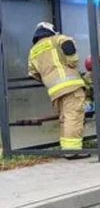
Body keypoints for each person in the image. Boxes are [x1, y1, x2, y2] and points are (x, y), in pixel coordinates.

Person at [26, 22, 90, 159]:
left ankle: (66, 148)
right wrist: (72, 62)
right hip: (71, 86)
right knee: (73, 117)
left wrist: (48, 80)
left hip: (54, 91)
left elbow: (33, 73)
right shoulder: (57, 39)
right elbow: (68, 45)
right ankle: (73, 150)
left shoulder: (33, 51)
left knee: (64, 119)